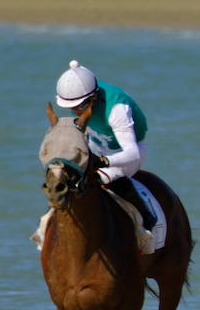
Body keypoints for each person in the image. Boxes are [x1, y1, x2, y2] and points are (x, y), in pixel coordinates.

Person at [53, 59, 157, 236]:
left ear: (93, 97)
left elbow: (132, 153)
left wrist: (103, 161)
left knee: (103, 179)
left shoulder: (116, 109)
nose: (76, 111)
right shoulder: (81, 97)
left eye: (80, 106)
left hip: (127, 153)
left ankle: (146, 219)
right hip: (98, 146)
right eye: (71, 107)